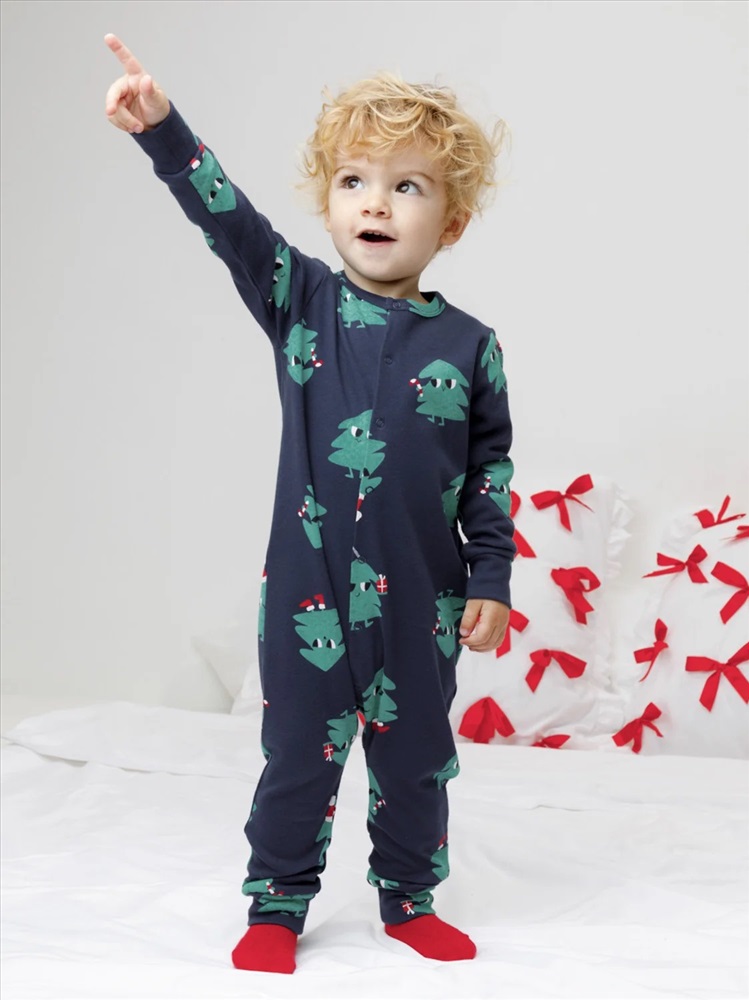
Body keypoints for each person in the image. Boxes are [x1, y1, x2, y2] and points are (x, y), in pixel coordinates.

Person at [104, 32, 516, 975]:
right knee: (297, 755)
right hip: (309, 598)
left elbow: (488, 469)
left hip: (424, 604)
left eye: (407, 186)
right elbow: (228, 222)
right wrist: (162, 129)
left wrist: (491, 576)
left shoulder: (471, 346)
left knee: (416, 760)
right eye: (354, 181)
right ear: (329, 203)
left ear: (451, 223)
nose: (376, 202)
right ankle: (277, 904)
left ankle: (409, 898)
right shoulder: (301, 302)